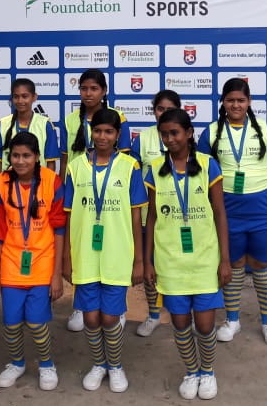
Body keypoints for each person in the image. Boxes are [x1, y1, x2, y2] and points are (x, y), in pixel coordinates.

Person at [197, 77, 267, 346]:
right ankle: (232, 320)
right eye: (230, 100)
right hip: (228, 209)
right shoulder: (211, 132)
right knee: (234, 263)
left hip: (263, 208)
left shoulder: (264, 129)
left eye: (241, 100)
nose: (236, 105)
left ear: (249, 102)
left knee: (263, 264)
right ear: (223, 102)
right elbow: (201, 175)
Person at [144, 108, 231, 400]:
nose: (170, 139)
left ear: (189, 133)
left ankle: (208, 371)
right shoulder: (155, 168)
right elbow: (151, 218)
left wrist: (225, 260)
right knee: (180, 323)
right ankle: (192, 371)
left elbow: (220, 213)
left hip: (204, 259)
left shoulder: (208, 165)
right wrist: (148, 261)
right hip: (170, 261)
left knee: (205, 325)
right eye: (164, 134)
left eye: (175, 133)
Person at [62, 108, 147, 393]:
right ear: (91, 132)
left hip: (117, 253)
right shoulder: (75, 167)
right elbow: (67, 214)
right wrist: (66, 257)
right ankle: (99, 364)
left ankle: (116, 365)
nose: (102, 136)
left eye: (108, 132)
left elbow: (135, 216)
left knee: (110, 318)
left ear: (117, 135)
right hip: (84, 253)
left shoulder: (130, 166)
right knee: (90, 317)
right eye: (97, 130)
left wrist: (138, 260)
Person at [0, 132, 66, 391]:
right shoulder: (0, 184)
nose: (20, 161)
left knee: (36, 322)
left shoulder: (52, 181)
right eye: (15, 156)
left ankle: (46, 364)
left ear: (37, 157)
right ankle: (16, 363)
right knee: (11, 322)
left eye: (26, 156)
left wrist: (56, 275)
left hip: (43, 262)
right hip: (11, 263)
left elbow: (59, 229)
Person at [60, 68, 131, 332]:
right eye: (83, 88)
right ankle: (80, 306)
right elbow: (66, 158)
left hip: (109, 192)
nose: (88, 93)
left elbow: (123, 160)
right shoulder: (70, 121)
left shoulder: (118, 118)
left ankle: (116, 307)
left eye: (94, 88)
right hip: (82, 190)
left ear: (104, 91)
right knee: (83, 250)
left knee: (111, 251)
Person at [130, 89, 181, 337]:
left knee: (178, 264)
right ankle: (153, 314)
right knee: (150, 265)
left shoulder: (185, 137)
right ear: (154, 111)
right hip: (149, 213)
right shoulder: (143, 139)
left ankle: (184, 312)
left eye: (170, 109)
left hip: (180, 214)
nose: (164, 113)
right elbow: (133, 175)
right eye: (160, 109)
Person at [0, 78, 59, 173]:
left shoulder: (45, 124)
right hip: (8, 181)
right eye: (16, 97)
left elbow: (50, 163)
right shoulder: (2, 124)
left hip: (39, 180)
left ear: (34, 97)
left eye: (25, 96)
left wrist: (47, 182)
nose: (20, 101)